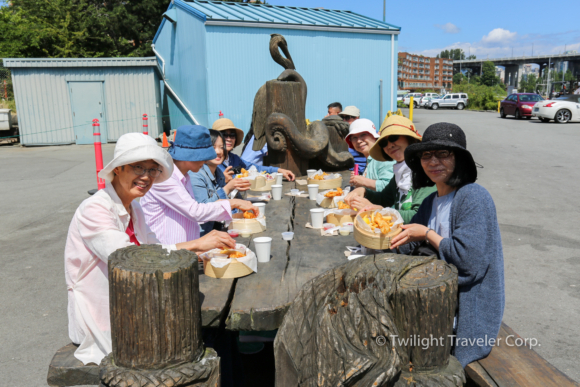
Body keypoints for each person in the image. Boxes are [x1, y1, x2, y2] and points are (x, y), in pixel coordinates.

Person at [64, 133, 236, 365]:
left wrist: (197, 250)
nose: (146, 176)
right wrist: (195, 244)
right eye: (138, 168)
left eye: (152, 170)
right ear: (118, 169)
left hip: (138, 302)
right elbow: (128, 258)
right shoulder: (95, 209)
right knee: (201, 338)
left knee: (218, 335)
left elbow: (153, 248)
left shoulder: (135, 207)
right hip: (104, 316)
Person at [389, 122, 504, 368]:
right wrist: (384, 231)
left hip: (464, 317)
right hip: (432, 303)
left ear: (459, 159)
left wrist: (428, 234)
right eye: (426, 155)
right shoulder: (432, 200)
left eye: (443, 154)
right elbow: (409, 246)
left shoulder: (473, 196)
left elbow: (468, 263)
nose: (433, 162)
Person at [141, 125, 258, 245]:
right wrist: (234, 203)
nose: (205, 160)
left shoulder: (185, 176)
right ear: (188, 156)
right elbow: (195, 211)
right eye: (202, 156)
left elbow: (199, 206)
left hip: (184, 252)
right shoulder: (165, 178)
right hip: (166, 254)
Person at [345, 116, 436, 223]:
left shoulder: (424, 171)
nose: (389, 145)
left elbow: (420, 216)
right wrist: (364, 192)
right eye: (384, 143)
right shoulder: (400, 171)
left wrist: (381, 211)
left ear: (410, 139)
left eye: (393, 137)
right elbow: (385, 198)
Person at [191, 130, 252, 235]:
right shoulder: (196, 174)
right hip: (201, 234)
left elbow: (226, 203)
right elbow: (203, 209)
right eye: (213, 147)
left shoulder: (218, 172)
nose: (219, 152)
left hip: (218, 229)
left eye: (221, 147)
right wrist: (228, 188)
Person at [212, 118, 295, 182]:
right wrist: (223, 181)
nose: (229, 139)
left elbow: (256, 168)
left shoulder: (235, 158)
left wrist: (279, 170)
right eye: (224, 135)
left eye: (232, 135)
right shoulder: (211, 162)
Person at [345, 118, 394, 193]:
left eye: (363, 135)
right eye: (354, 137)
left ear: (374, 136)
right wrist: (358, 180)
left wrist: (363, 181)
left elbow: (390, 187)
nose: (358, 141)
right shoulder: (370, 159)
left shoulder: (383, 158)